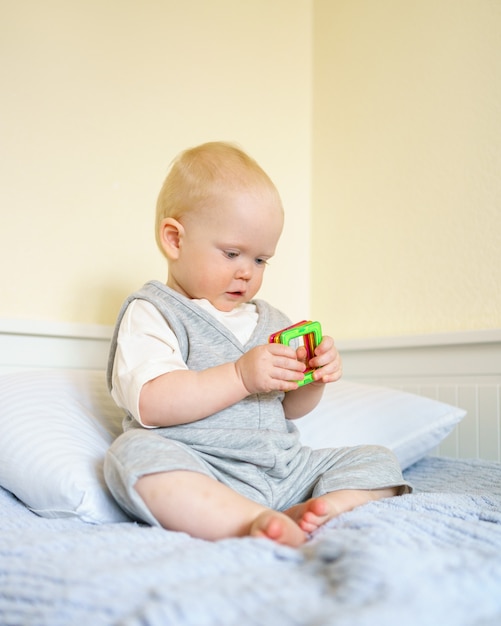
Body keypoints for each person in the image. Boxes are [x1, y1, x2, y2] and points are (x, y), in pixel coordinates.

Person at [104, 141, 410, 547]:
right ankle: (247, 521)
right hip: (204, 468)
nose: (247, 273)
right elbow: (151, 403)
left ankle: (326, 509)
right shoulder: (154, 312)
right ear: (175, 240)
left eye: (262, 260)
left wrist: (311, 381)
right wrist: (240, 376)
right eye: (232, 253)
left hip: (284, 470)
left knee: (376, 459)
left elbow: (289, 409)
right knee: (131, 457)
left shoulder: (271, 322)